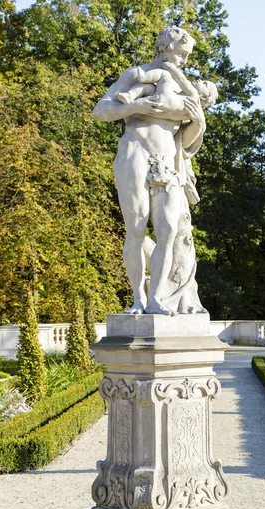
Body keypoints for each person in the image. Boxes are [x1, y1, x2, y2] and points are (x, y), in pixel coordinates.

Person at [92, 27, 207, 315]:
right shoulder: (136, 74)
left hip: (167, 160)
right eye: (181, 54)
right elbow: (101, 111)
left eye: (186, 56)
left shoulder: (183, 86)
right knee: (136, 228)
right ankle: (138, 300)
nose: (184, 61)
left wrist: (196, 119)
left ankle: (156, 298)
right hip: (135, 152)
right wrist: (139, 104)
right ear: (165, 48)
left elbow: (190, 136)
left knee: (167, 231)